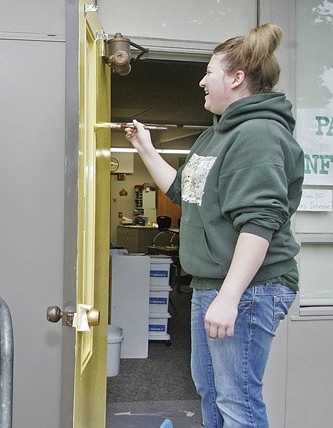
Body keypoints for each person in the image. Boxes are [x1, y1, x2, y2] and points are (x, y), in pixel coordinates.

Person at [125, 23, 303, 428]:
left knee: (237, 401)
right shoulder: (214, 136)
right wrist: (146, 150)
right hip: (213, 285)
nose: (202, 80)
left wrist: (230, 297)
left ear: (237, 78)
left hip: (248, 289)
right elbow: (180, 189)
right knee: (211, 393)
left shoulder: (259, 134)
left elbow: (260, 223)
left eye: (209, 71)